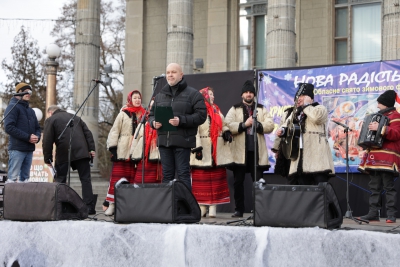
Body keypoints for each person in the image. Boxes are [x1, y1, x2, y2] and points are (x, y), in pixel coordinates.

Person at [148, 63, 207, 190]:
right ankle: (168, 207)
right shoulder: (159, 95)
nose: (170, 75)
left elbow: (201, 116)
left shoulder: (193, 94)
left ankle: (186, 207)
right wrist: (153, 123)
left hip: (183, 141)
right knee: (167, 175)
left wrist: (181, 120)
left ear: (181, 75)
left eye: (173, 72)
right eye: (168, 72)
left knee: (183, 174)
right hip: (164, 141)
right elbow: (151, 115)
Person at [225, 80, 274, 218]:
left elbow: (270, 125)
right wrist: (244, 124)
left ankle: (259, 210)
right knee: (238, 182)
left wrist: (257, 124)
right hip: (240, 152)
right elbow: (227, 124)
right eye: (246, 92)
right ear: (242, 95)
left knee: (258, 182)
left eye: (251, 92)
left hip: (257, 152)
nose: (248, 94)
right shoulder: (234, 109)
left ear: (253, 94)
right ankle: (238, 209)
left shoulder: (261, 109)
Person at [276, 83, 335, 185]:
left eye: (303, 96)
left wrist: (307, 106)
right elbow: (286, 125)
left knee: (321, 191)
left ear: (311, 98)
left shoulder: (320, 108)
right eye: (298, 96)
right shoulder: (295, 113)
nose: (299, 99)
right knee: (305, 193)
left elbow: (317, 118)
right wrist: (282, 131)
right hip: (301, 160)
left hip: (318, 159)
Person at [42, 105, 97, 214]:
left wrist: (47, 158)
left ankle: (60, 207)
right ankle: (89, 207)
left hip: (64, 152)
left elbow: (47, 140)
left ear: (50, 112)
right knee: (85, 179)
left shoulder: (51, 119)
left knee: (60, 179)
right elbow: (88, 133)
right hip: (82, 151)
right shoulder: (75, 117)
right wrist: (91, 149)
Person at [358, 90, 400, 223]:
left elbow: (397, 134)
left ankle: (391, 215)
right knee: (374, 187)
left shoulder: (396, 116)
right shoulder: (375, 116)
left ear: (385, 104)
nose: (377, 106)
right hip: (374, 158)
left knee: (388, 187)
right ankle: (373, 213)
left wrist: (380, 128)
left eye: (379, 104)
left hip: (388, 157)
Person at [190, 87, 233, 218]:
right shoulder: (197, 111)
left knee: (216, 179)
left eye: (213, 94)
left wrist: (226, 131)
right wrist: (196, 148)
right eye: (210, 94)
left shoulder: (217, 110)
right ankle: (202, 207)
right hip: (203, 148)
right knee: (201, 180)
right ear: (204, 96)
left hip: (216, 151)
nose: (212, 97)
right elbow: (194, 130)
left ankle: (213, 208)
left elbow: (223, 123)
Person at [103, 90, 145, 216]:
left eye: (139, 98)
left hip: (136, 150)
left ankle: (127, 206)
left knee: (132, 179)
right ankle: (112, 204)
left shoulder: (143, 115)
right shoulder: (123, 114)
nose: (137, 100)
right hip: (122, 150)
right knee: (118, 178)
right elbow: (115, 131)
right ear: (130, 99)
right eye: (135, 97)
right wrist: (113, 148)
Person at [4, 82, 41, 183]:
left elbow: (37, 128)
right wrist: (28, 137)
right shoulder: (12, 107)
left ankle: (23, 199)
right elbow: (8, 127)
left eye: (30, 91)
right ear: (19, 92)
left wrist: (37, 137)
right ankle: (10, 199)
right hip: (17, 149)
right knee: (12, 178)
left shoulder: (31, 111)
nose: (29, 93)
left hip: (29, 149)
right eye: (26, 91)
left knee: (25, 179)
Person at [130, 99, 162, 184]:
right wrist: (132, 154)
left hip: (157, 160)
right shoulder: (143, 123)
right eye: (151, 107)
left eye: (154, 106)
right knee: (140, 182)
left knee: (156, 185)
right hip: (143, 159)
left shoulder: (163, 124)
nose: (152, 108)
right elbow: (135, 140)